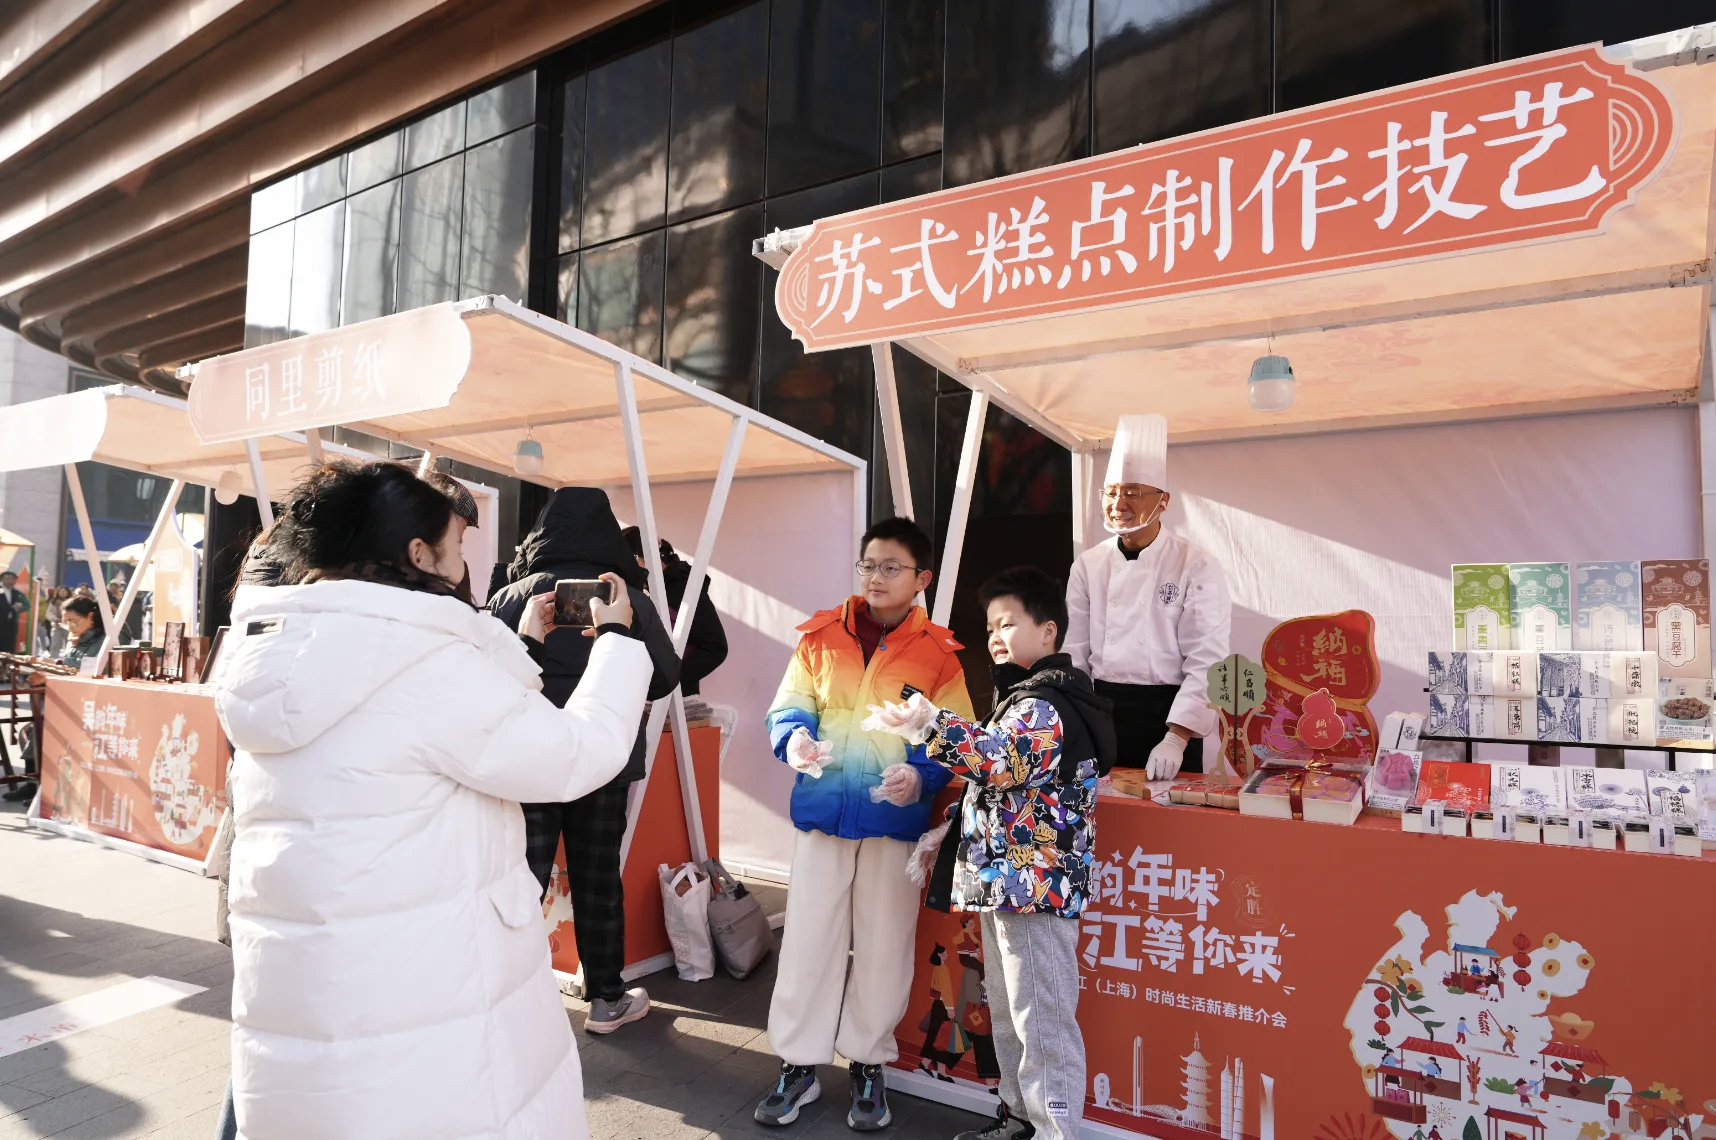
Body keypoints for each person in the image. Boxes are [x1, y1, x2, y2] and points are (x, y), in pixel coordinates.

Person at [207, 459, 652, 1140]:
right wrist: (618, 641)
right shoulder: (424, 659)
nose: (464, 560)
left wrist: (519, 640)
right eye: (458, 544)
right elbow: (574, 755)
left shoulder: (280, 650)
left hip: (311, 987)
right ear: (419, 553)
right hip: (425, 986)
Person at [868, 566, 1115, 1140]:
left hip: (1034, 887)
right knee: (1012, 1013)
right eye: (989, 628)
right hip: (1014, 884)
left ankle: (1052, 1131)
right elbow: (1003, 786)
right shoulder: (1027, 699)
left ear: (1049, 631)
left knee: (1040, 1020)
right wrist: (947, 830)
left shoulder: (1047, 703)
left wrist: (930, 723)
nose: (996, 637)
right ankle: (1021, 1121)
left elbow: (1001, 762)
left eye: (1008, 623)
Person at [754, 516, 974, 1132]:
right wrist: (794, 741)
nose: (876, 577)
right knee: (807, 940)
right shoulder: (820, 637)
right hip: (823, 813)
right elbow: (789, 706)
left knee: (884, 946)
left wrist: (921, 778)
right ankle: (797, 1064)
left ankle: (869, 1062)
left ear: (921, 578)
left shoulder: (940, 655)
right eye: (869, 565)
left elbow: (954, 737)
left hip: (892, 821)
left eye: (891, 567)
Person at [486, 488, 680, 1034]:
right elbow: (666, 676)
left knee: (520, 879)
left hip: (528, 761)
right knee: (598, 879)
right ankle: (606, 1000)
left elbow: (487, 678)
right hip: (603, 761)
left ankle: (506, 999)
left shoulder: (512, 596)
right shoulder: (628, 598)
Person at [1066, 414, 1231, 779]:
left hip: (1169, 717)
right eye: (1111, 492)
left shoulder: (1195, 564)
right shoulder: (1089, 565)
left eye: (1133, 493)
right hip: (1101, 716)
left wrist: (1177, 738)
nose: (1118, 504)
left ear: (1163, 500)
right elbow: (1074, 653)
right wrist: (1077, 721)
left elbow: (1208, 658)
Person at [621, 527, 729, 696]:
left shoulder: (685, 589)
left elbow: (715, 648)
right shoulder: (647, 589)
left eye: (629, 561)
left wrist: (668, 679)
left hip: (676, 696)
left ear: (647, 558)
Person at [0, 570, 24, 654]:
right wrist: (11, 607)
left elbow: (20, 603)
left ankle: (7, 660)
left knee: (9, 646)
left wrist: (19, 606)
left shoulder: (15, 592)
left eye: (13, 579)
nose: (10, 581)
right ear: (2, 579)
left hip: (11, 622)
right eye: (8, 579)